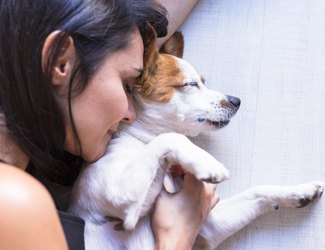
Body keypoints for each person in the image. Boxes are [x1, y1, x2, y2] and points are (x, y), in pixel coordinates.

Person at [0, 0, 219, 249]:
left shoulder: (41, 158)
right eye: (127, 86)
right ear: (60, 61)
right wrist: (176, 236)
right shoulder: (14, 201)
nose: (130, 113)